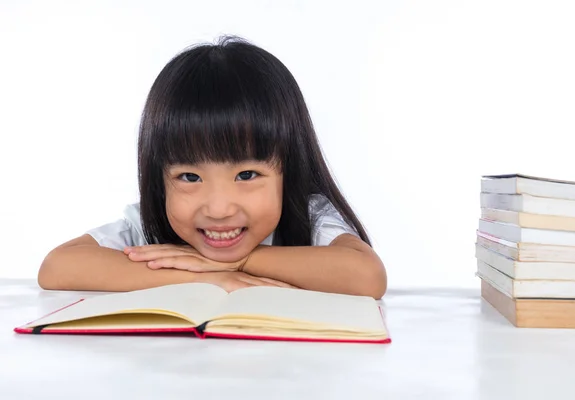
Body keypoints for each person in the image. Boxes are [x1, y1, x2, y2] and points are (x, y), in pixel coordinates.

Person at [38, 36, 387, 299]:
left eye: (246, 175)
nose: (219, 208)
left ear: (287, 171)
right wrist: (196, 275)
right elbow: (56, 267)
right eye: (189, 177)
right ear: (160, 179)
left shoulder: (307, 215)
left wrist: (233, 262)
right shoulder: (148, 224)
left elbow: (366, 277)